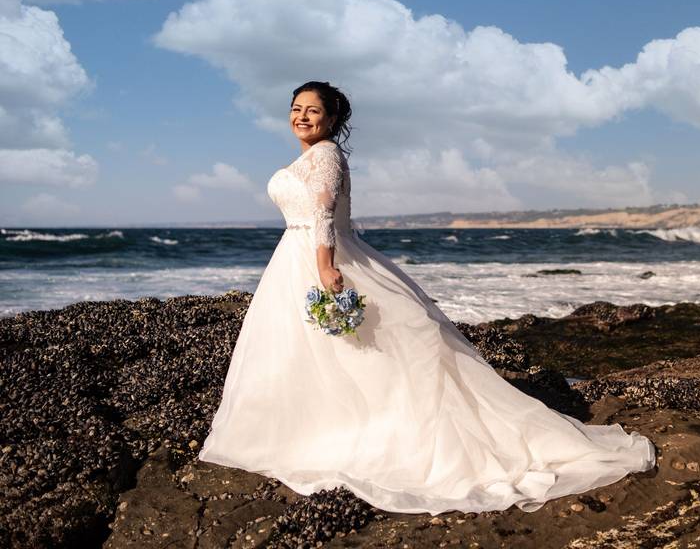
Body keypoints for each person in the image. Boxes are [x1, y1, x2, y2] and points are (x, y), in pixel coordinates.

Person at [198, 80, 657, 515]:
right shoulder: (313, 156)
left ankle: (362, 435)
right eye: (296, 109)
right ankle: (316, 429)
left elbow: (322, 212)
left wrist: (324, 267)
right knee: (314, 355)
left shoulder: (327, 157)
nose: (302, 116)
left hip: (316, 259)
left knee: (359, 357)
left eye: (312, 110)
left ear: (332, 117)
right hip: (293, 260)